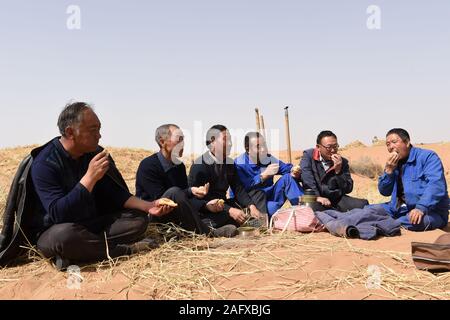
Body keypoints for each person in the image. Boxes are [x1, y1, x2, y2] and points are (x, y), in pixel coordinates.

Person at [30, 102, 175, 270]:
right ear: (70, 132)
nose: (99, 136)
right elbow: (58, 214)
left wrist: (149, 206)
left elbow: (115, 194)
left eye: (99, 129)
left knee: (138, 219)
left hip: (92, 224)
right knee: (64, 238)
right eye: (93, 130)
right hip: (57, 229)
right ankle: (125, 249)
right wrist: (89, 178)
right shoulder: (45, 163)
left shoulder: (95, 153)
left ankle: (83, 251)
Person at [135, 124, 237, 237]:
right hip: (157, 216)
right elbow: (162, 200)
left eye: (183, 139)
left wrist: (206, 205)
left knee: (230, 214)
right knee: (174, 192)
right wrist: (190, 191)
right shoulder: (148, 166)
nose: (183, 143)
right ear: (162, 141)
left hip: (178, 215)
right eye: (179, 139)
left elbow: (185, 199)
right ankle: (208, 233)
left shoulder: (179, 166)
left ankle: (191, 230)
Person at [188, 125, 263, 229]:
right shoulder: (200, 165)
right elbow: (197, 200)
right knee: (230, 216)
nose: (230, 143)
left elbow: (238, 189)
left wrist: (251, 206)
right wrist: (229, 210)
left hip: (223, 204)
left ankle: (254, 223)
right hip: (207, 209)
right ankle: (210, 228)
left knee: (250, 204)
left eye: (230, 139)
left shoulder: (229, 163)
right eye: (225, 139)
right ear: (213, 141)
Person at [377, 128, 449, 231]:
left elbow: (436, 185)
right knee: (367, 211)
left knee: (405, 222)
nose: (391, 147)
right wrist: (388, 171)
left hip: (430, 212)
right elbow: (384, 192)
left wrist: (421, 207)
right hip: (400, 209)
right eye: (388, 144)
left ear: (407, 142)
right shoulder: (393, 164)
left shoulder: (428, 157)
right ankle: (349, 224)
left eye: (394, 142)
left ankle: (376, 226)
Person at [234, 131, 303, 217]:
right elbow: (239, 190)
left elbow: (286, 169)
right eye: (258, 147)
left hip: (270, 197)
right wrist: (263, 176)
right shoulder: (239, 164)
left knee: (287, 178)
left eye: (264, 145)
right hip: (251, 204)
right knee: (273, 208)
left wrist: (294, 171)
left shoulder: (268, 159)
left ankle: (304, 210)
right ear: (248, 149)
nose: (263, 149)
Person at [300, 130, 368, 211]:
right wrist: (317, 197)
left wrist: (338, 171)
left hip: (334, 199)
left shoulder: (343, 162)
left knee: (363, 205)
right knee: (312, 208)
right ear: (318, 147)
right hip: (315, 197)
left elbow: (348, 189)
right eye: (329, 147)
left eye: (335, 146)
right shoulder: (308, 156)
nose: (333, 150)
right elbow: (307, 179)